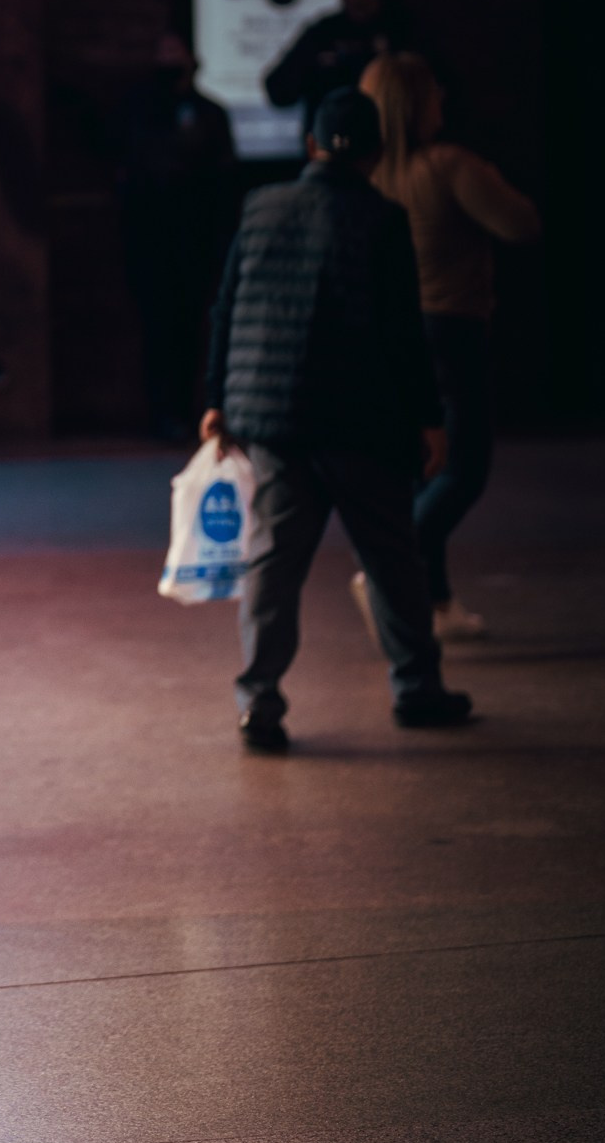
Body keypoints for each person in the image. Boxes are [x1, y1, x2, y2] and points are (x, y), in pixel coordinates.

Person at [201, 84, 472, 752]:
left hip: (273, 417)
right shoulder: (382, 219)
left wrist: (215, 398)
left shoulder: (260, 208)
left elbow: (226, 307)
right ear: (376, 154)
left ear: (310, 145)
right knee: (390, 558)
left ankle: (259, 700)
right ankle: (416, 689)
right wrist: (429, 418)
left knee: (273, 562)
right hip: (360, 423)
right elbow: (404, 335)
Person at [362, 52, 541, 639]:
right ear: (417, 102)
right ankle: (387, 571)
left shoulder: (371, 177)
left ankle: (432, 603)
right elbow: (522, 224)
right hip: (451, 329)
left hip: (394, 334)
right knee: (464, 469)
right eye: (434, 91)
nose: (443, 98)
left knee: (423, 467)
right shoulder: (448, 166)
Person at [118, 32, 240, 438]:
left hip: (198, 240)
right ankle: (162, 414)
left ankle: (189, 413)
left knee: (192, 329)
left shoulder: (211, 114)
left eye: (176, 51)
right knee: (158, 328)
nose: (168, 59)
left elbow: (225, 180)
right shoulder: (139, 112)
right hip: (151, 241)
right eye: (162, 51)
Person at [263, 0, 394, 126]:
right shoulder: (323, 32)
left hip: (387, 141)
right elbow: (277, 90)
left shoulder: (399, 29)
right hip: (330, 145)